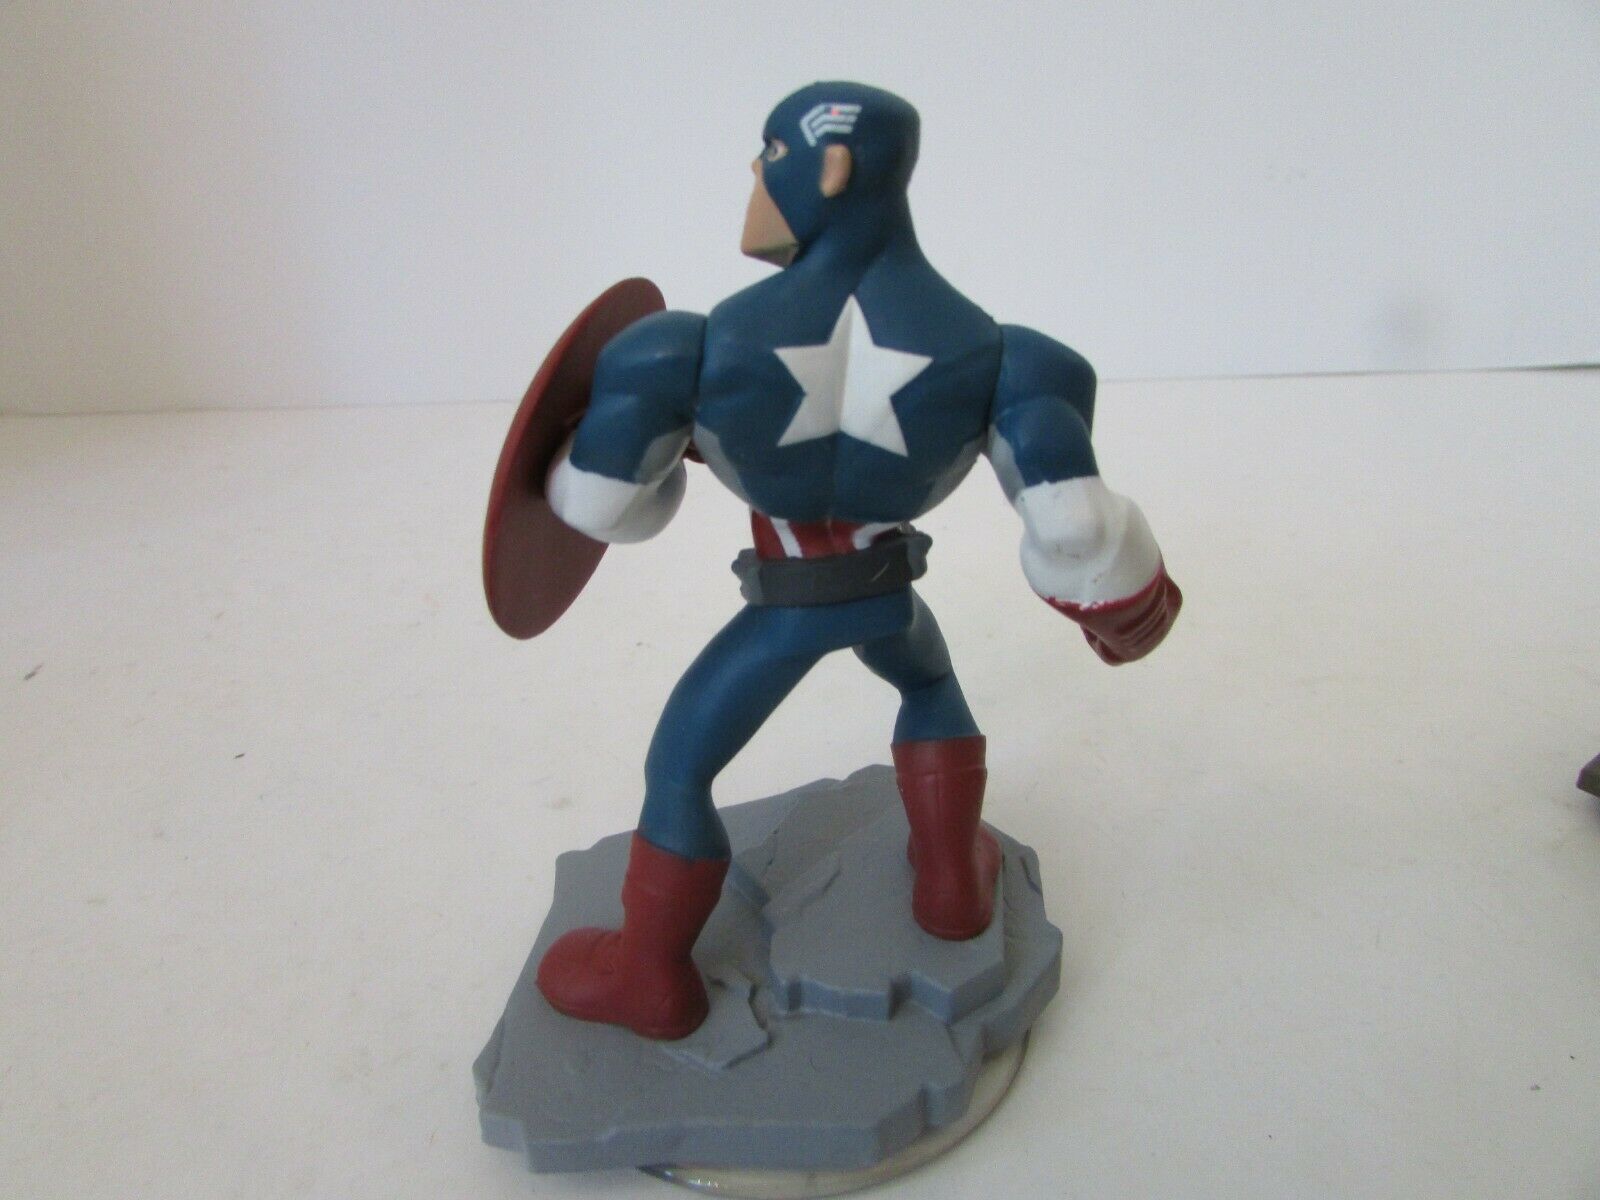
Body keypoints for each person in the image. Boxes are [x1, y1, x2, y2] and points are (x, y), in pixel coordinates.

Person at [535, 82, 1182, 1039]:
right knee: (930, 685)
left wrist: (599, 445)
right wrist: (1125, 600)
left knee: (678, 766)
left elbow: (602, 509)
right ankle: (953, 883)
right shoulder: (1004, 357)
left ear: (833, 168)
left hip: (785, 612)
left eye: (771, 155)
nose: (754, 176)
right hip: (887, 596)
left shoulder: (684, 350)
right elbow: (1076, 529)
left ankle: (647, 971)